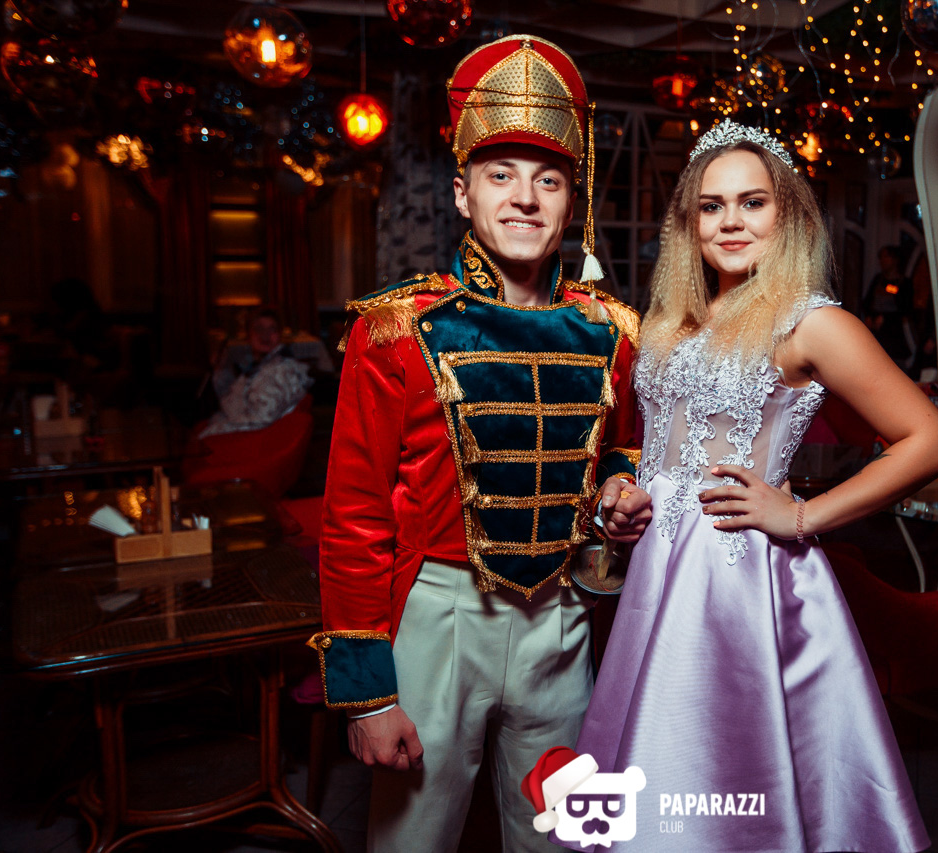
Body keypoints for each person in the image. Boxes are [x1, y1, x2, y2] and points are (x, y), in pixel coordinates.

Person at [562, 120, 938, 852]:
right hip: (655, 572)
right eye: (711, 206)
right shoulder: (671, 321)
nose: (731, 221)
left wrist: (804, 513)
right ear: (689, 223)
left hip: (733, 577)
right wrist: (626, 498)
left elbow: (932, 440)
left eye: (753, 202)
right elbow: (658, 452)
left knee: (716, 768)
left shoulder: (812, 322)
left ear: (789, 215)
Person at [306, 36, 651, 853]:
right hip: (439, 617)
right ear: (462, 194)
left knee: (563, 837)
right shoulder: (395, 330)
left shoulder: (614, 331)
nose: (525, 197)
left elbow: (623, 451)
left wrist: (619, 493)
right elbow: (353, 517)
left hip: (561, 618)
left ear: (571, 199)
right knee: (413, 840)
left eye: (548, 179)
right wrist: (368, 695)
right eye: (501, 175)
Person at [200, 307, 312, 437]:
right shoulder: (258, 364)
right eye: (259, 329)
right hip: (247, 431)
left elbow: (260, 420)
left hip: (259, 439)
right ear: (248, 335)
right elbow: (232, 398)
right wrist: (220, 369)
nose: (265, 335)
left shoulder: (279, 370)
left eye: (272, 329)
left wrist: (210, 432)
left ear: (280, 335)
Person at [862, 245, 915, 369]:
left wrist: (886, 318)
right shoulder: (877, 280)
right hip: (876, 334)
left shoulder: (905, 283)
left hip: (895, 336)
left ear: (895, 260)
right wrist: (869, 317)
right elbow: (866, 302)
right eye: (881, 257)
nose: (882, 261)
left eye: (886, 257)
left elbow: (906, 309)